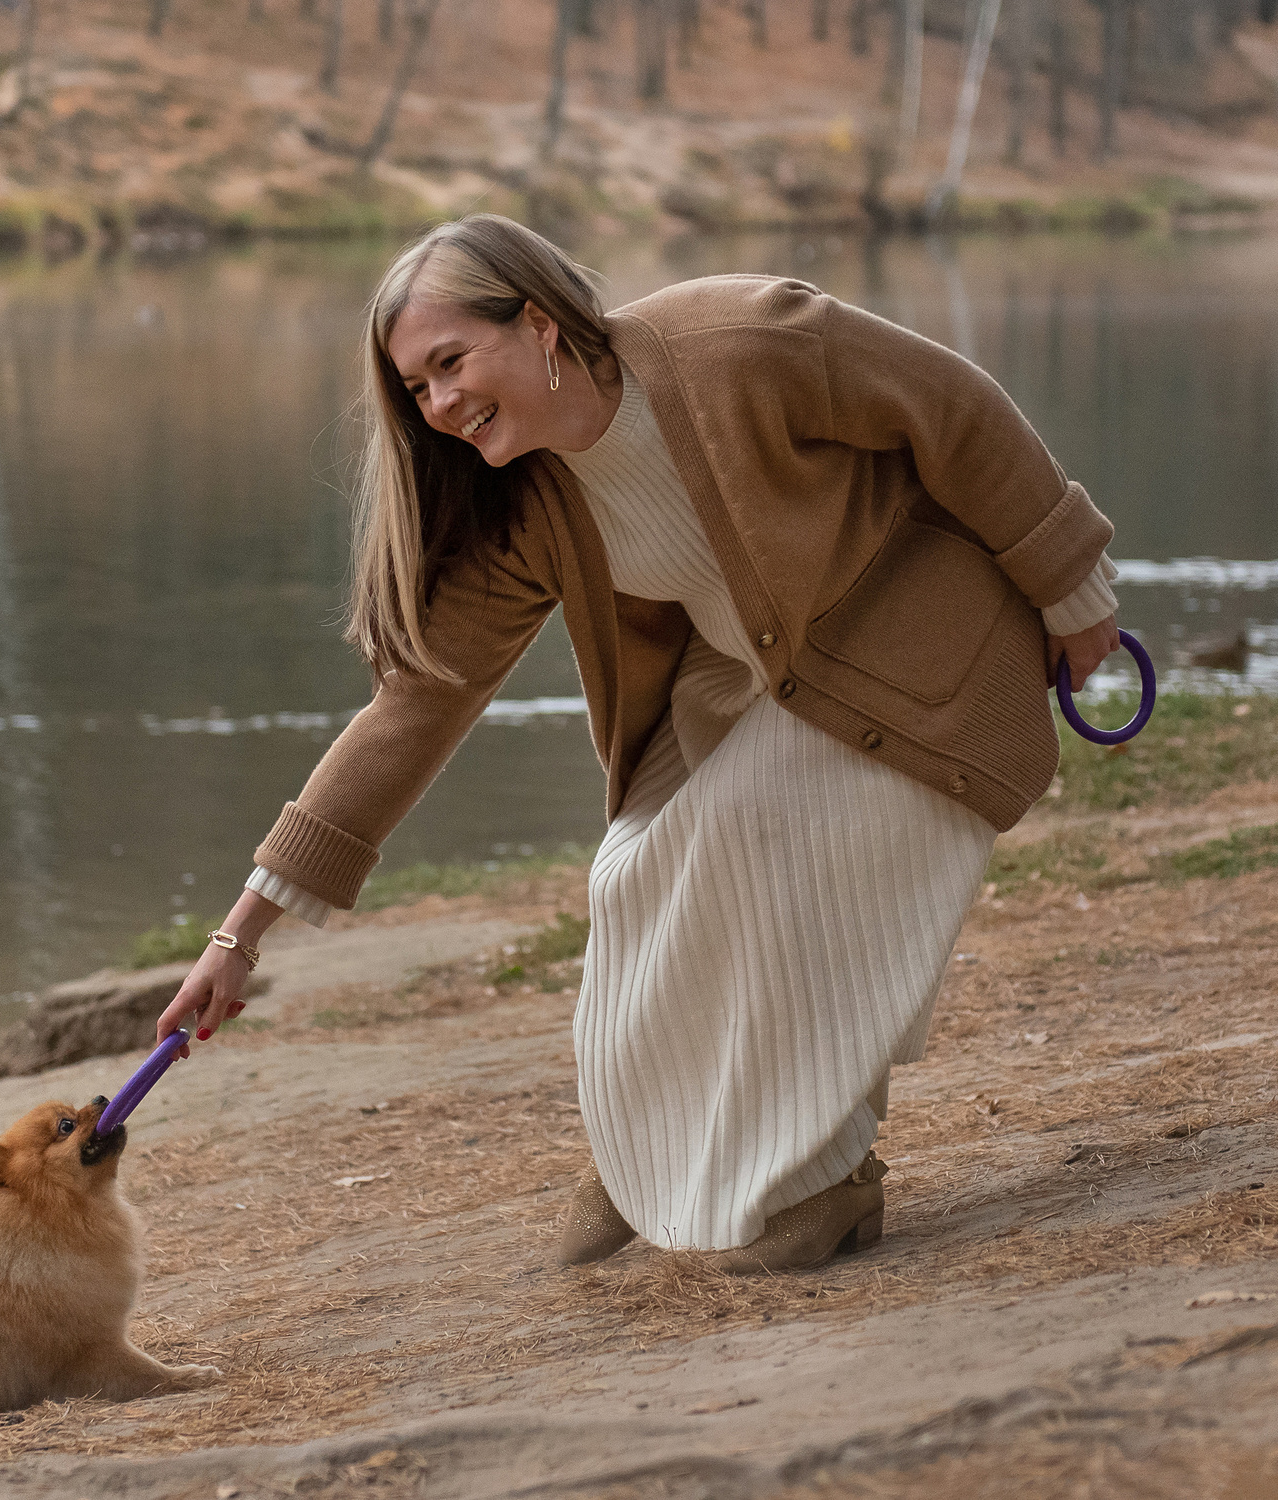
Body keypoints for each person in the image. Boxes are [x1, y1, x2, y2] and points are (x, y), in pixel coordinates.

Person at [157, 216, 1121, 1272]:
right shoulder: (528, 499)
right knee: (629, 875)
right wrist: (241, 933)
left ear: (537, 326)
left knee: (748, 838)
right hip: (758, 682)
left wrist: (1071, 589)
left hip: (924, 651)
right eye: (416, 389)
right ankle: (642, 1155)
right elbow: (413, 706)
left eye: (449, 364)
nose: (437, 406)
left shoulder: (739, 341)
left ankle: (825, 1180)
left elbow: (956, 412)